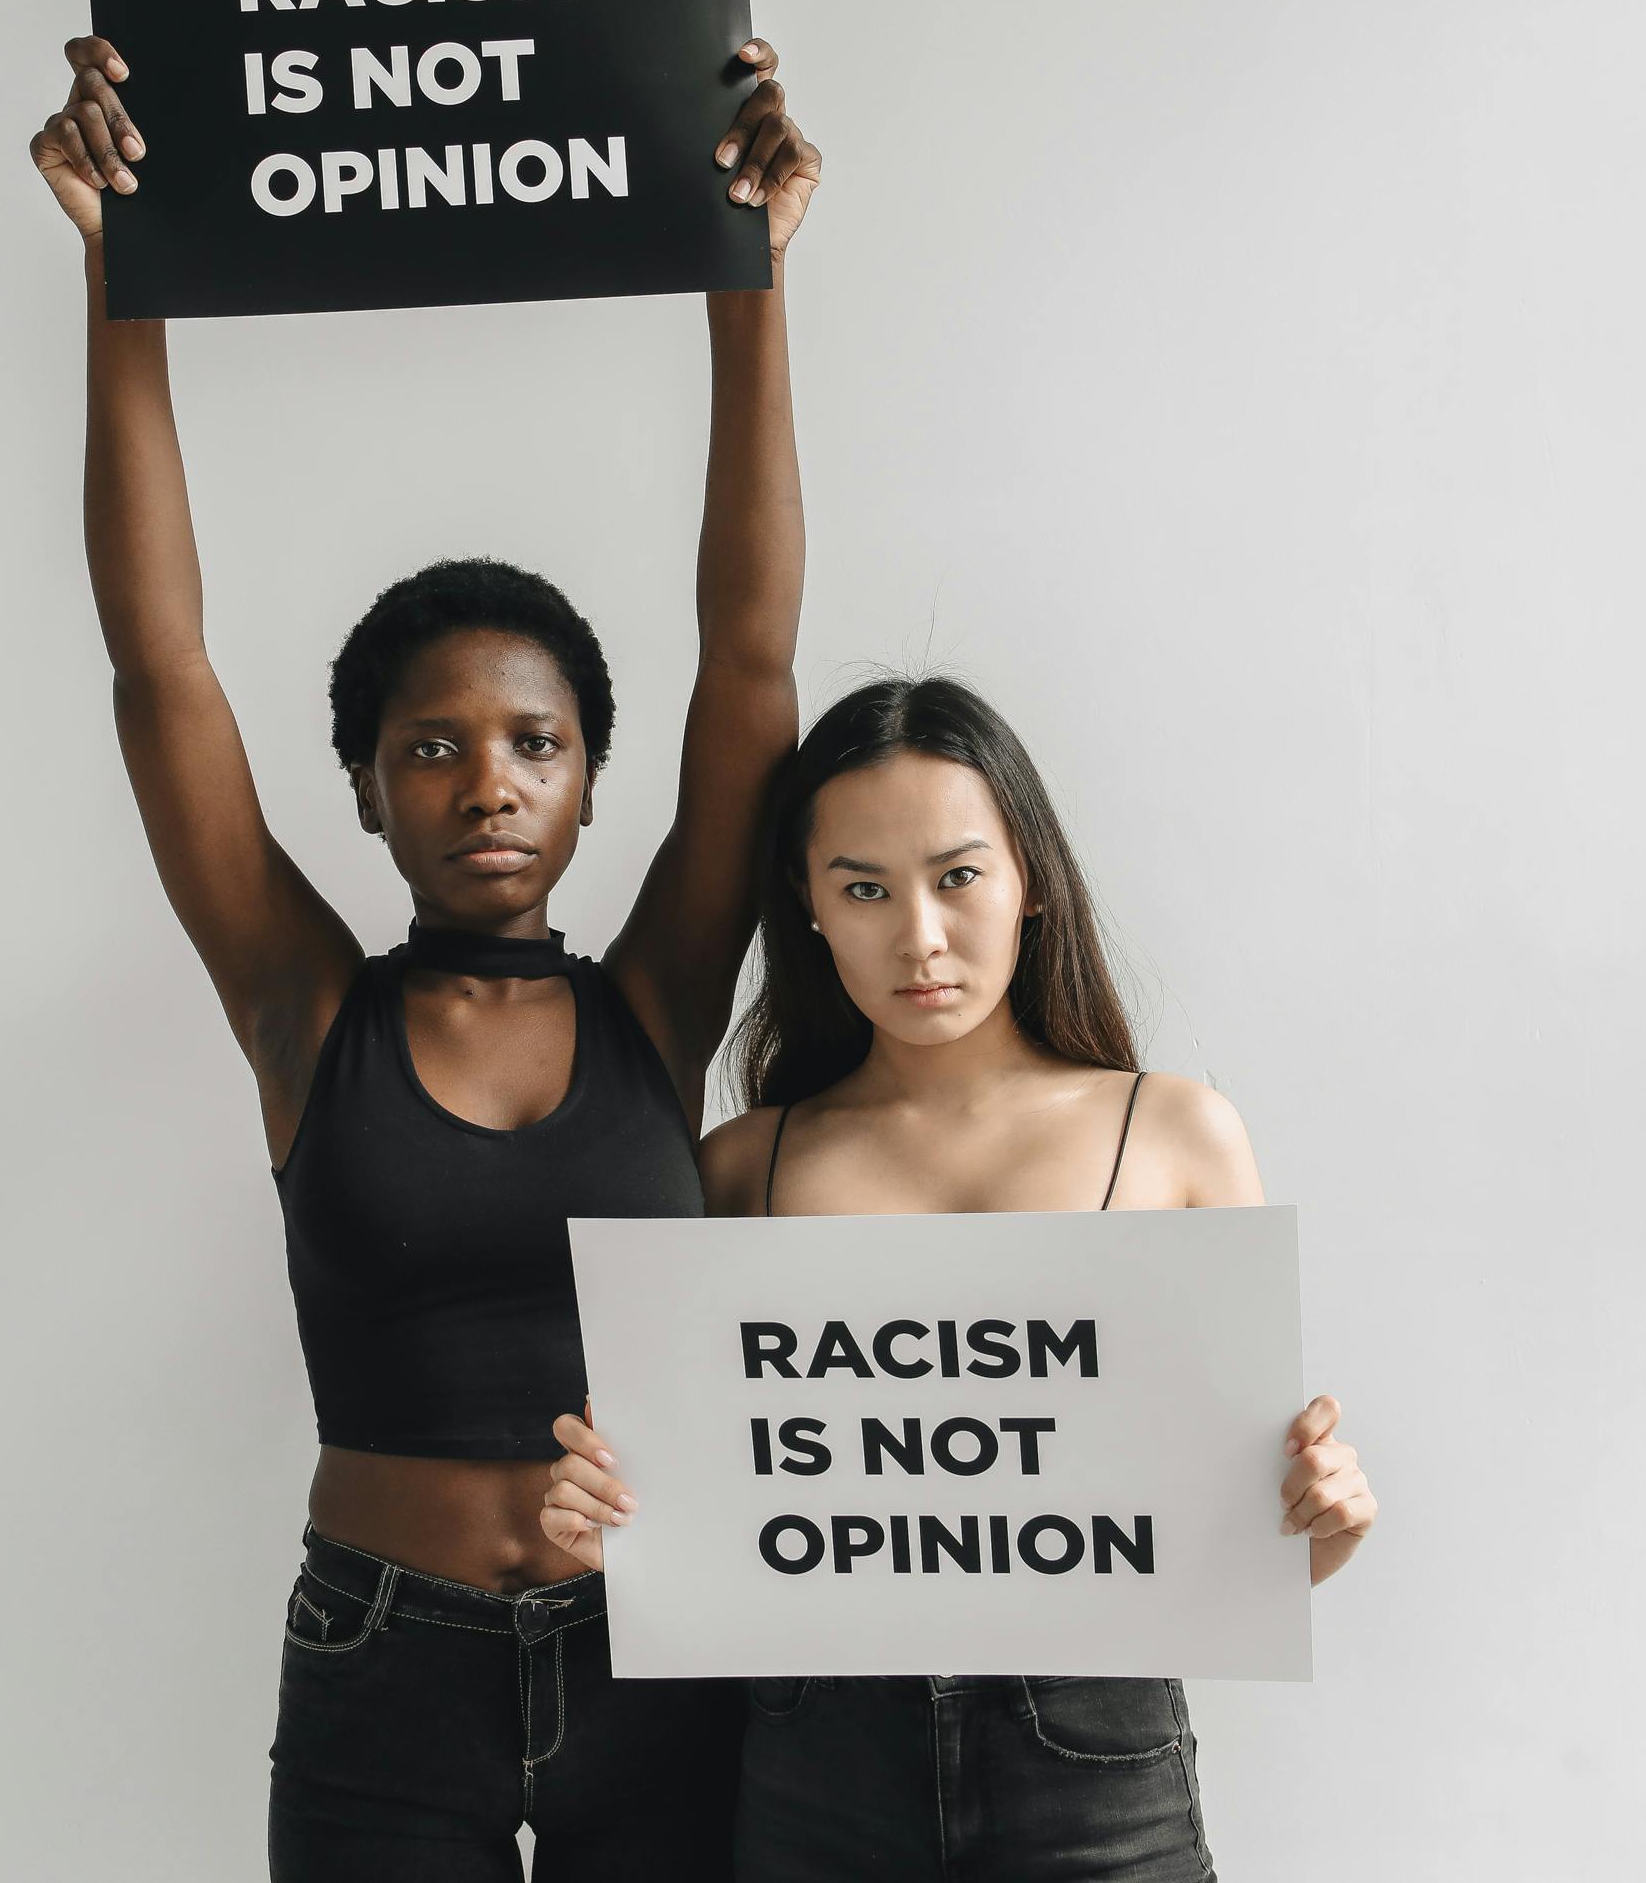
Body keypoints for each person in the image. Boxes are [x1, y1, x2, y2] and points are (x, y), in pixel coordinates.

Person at [27, 31, 822, 1880]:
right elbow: (165, 669)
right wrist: (118, 278)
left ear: (597, 783)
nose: (488, 783)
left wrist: (749, 282)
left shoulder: (656, 1002)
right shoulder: (306, 1007)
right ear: (368, 793)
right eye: (432, 748)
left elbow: (755, 668)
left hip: (661, 1652)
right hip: (384, 1657)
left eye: (536, 744)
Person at [539, 676, 1380, 1883]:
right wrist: (614, 1525)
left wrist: (1323, 1514)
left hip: (1097, 1767)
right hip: (812, 1767)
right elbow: (706, 1513)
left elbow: (1240, 1542)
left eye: (959, 875)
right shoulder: (745, 1162)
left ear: (1030, 877)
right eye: (864, 887)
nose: (919, 936)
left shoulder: (1180, 1133)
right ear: (811, 905)